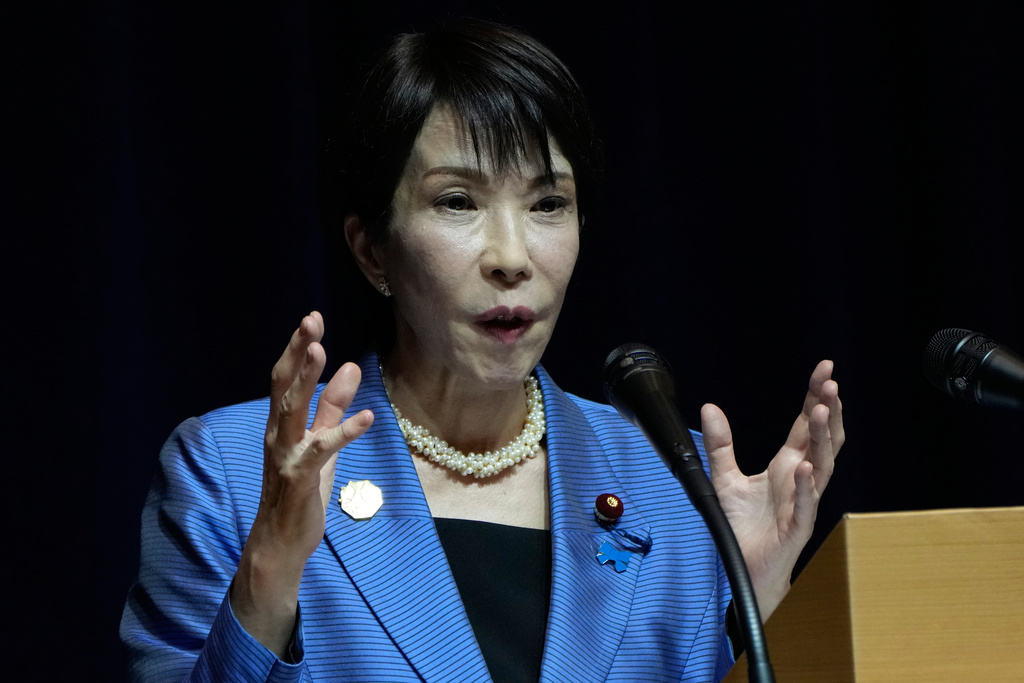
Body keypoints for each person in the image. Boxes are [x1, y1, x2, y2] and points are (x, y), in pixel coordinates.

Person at [120, 18, 844, 683]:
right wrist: (269, 575)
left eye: (547, 204)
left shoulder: (676, 489)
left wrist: (762, 610)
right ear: (372, 251)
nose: (511, 256)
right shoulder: (233, 470)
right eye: (457, 202)